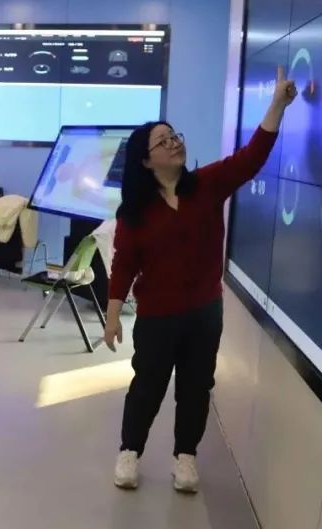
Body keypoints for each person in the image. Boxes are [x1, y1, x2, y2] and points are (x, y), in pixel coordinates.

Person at [104, 66, 299, 493]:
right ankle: (130, 450)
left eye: (175, 135)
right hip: (157, 317)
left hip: (204, 313)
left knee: (196, 387)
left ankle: (185, 457)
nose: (174, 142)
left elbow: (251, 158)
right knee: (148, 386)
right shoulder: (135, 212)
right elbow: (123, 265)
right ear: (145, 160)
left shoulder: (206, 184)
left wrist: (277, 105)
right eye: (163, 140)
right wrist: (113, 316)